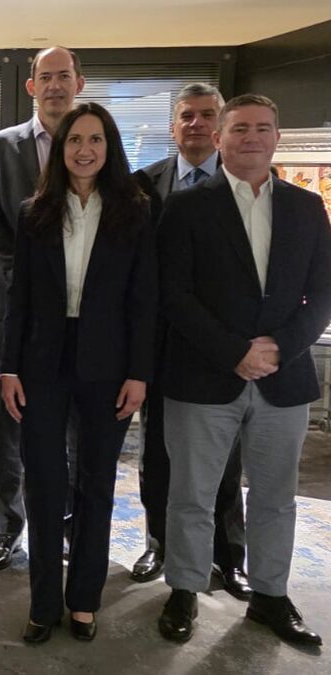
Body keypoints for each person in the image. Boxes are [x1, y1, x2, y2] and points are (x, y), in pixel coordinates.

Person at [156, 95, 331, 647]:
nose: (251, 137)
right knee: (191, 495)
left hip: (284, 377)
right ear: (220, 139)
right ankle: (184, 589)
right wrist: (234, 351)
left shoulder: (308, 208)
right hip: (202, 376)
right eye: (239, 129)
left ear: (277, 137)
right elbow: (173, 294)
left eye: (262, 128)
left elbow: (323, 293)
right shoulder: (185, 207)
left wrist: (281, 347)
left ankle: (270, 596)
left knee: (276, 496)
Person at [0, 103, 156, 643]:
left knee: (97, 483)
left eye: (95, 140)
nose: (84, 150)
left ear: (109, 147)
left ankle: (85, 599)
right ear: (60, 149)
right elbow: (19, 297)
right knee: (44, 483)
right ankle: (44, 603)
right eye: (74, 140)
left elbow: (145, 299)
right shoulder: (35, 211)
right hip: (42, 362)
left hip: (108, 364)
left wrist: (139, 372)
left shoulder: (135, 210)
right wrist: (9, 368)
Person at [130, 83, 249, 597]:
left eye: (206, 115)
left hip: (222, 347)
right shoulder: (142, 185)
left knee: (225, 458)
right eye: (187, 116)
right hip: (160, 346)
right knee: (157, 453)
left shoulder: (243, 183)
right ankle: (159, 542)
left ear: (219, 126)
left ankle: (229, 556)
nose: (196, 124)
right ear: (173, 126)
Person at [0, 46, 86, 573]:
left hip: (80, 313)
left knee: (74, 424)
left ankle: (66, 525)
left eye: (64, 76)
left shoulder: (93, 145)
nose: (55, 85)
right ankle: (8, 528)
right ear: (31, 86)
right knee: (9, 424)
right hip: (11, 307)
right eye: (46, 76)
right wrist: (31, 277)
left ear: (79, 83)